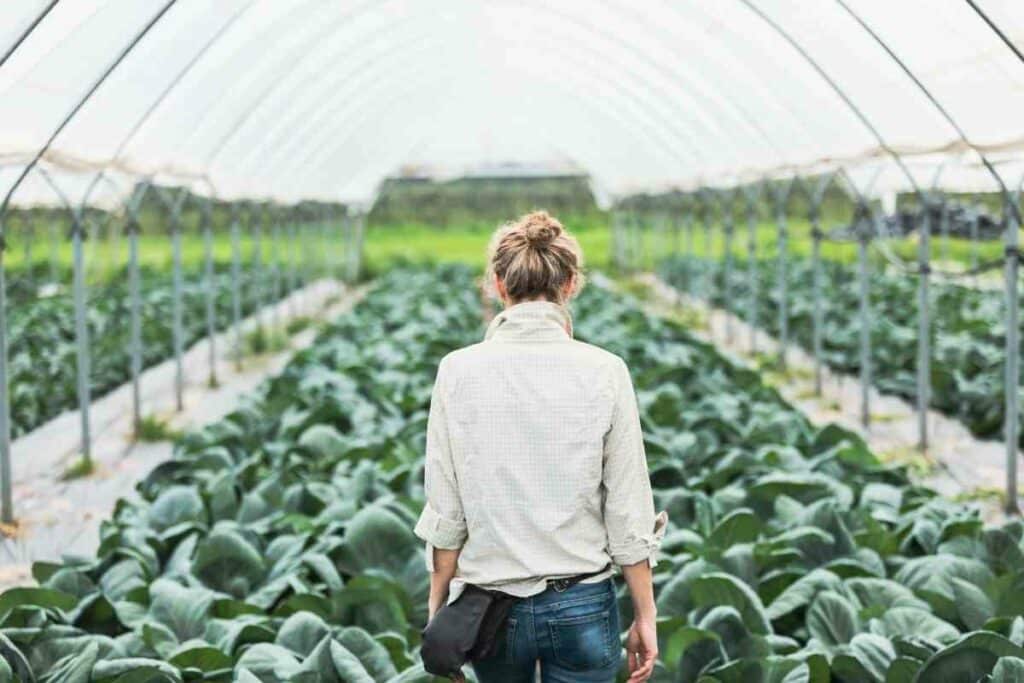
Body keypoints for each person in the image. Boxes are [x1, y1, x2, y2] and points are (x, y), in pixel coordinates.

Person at [414, 210, 667, 682]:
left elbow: (447, 513)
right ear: (570, 284)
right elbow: (629, 510)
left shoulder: (457, 370)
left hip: (490, 609)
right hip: (582, 604)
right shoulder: (606, 370)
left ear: (497, 285)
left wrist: (439, 611)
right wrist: (645, 615)